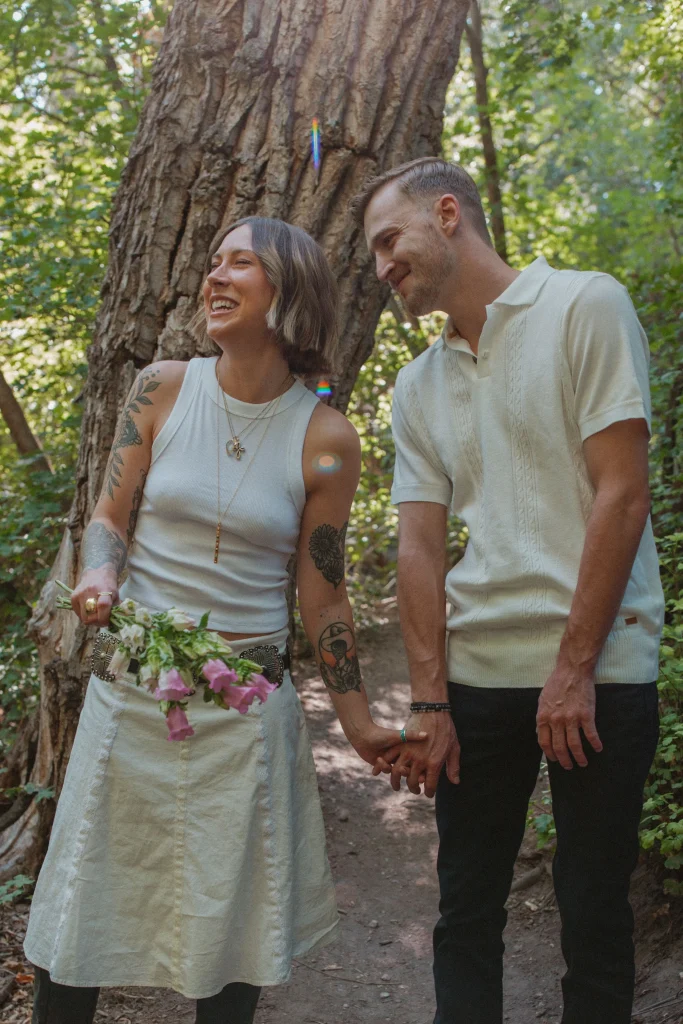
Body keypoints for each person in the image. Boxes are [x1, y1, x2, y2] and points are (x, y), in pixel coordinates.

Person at [23, 216, 425, 1024]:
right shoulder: (162, 386)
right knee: (78, 920)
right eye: (212, 261)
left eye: (239, 262)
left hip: (243, 720)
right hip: (131, 699)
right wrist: (101, 570)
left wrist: (359, 726)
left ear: (289, 289)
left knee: (234, 935)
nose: (214, 275)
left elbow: (324, 594)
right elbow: (110, 513)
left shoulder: (326, 439)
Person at [353, 158, 664, 1024]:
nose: (381, 267)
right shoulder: (416, 386)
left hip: (599, 671)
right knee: (464, 911)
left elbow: (623, 492)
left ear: (447, 214)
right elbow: (418, 546)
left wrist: (573, 669)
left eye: (389, 240)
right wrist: (428, 701)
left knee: (593, 908)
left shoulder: (583, 304)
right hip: (477, 678)